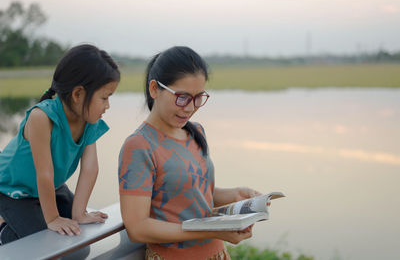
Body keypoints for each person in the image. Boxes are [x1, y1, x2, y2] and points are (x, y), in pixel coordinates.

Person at [118, 46, 261, 260]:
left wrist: (236, 195)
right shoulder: (139, 145)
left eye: (198, 98)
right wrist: (209, 230)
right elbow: (137, 228)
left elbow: (191, 191)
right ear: (155, 89)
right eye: (182, 97)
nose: (190, 108)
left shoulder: (196, 132)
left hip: (216, 254)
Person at [0, 44, 120, 245]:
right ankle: (3, 226)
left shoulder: (89, 120)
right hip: (11, 190)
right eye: (104, 97)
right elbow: (44, 173)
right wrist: (53, 219)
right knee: (44, 243)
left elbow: (90, 169)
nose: (107, 105)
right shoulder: (42, 117)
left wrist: (80, 213)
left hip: (51, 187)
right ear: (78, 94)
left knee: (78, 241)